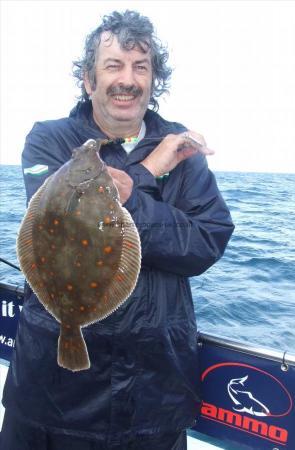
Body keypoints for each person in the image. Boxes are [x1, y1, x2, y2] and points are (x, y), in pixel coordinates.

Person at [1, 10, 234, 450]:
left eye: (140, 66)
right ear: (89, 80)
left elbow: (208, 240)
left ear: (152, 79)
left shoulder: (183, 149)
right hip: (50, 393)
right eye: (113, 65)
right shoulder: (48, 140)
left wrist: (137, 187)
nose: (127, 78)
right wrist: (148, 173)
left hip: (152, 394)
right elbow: (67, 219)